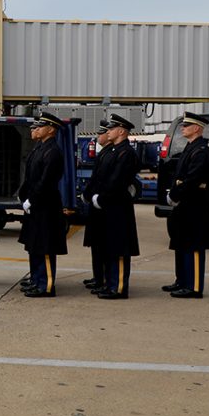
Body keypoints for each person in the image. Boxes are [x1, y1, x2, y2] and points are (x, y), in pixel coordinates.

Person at [164, 112, 209, 299]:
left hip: (194, 205)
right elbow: (179, 177)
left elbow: (192, 179)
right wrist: (173, 193)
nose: (182, 128)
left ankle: (194, 287)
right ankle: (182, 280)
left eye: (186, 126)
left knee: (194, 245)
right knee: (181, 242)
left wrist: (176, 194)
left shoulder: (201, 151)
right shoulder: (190, 148)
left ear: (196, 129)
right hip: (185, 204)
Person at [89, 114, 140, 299]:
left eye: (111, 129)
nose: (107, 132)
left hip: (118, 207)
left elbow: (117, 181)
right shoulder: (114, 151)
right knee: (110, 247)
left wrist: (101, 198)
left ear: (121, 131)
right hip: (109, 207)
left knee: (118, 248)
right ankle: (110, 284)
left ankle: (118, 287)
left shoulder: (126, 153)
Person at [17, 111, 67, 298]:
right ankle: (37, 280)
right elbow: (30, 177)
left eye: (40, 126)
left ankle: (46, 285)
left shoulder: (53, 151)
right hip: (36, 205)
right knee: (35, 244)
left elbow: (46, 181)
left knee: (45, 247)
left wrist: (33, 199)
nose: (35, 129)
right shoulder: (40, 148)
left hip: (45, 205)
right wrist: (25, 196)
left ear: (51, 129)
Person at [81, 120, 113, 293]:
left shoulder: (110, 153)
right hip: (96, 202)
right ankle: (98, 276)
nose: (98, 136)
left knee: (102, 245)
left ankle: (103, 278)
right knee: (96, 244)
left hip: (102, 203)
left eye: (101, 133)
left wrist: (95, 196)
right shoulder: (104, 153)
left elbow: (103, 180)